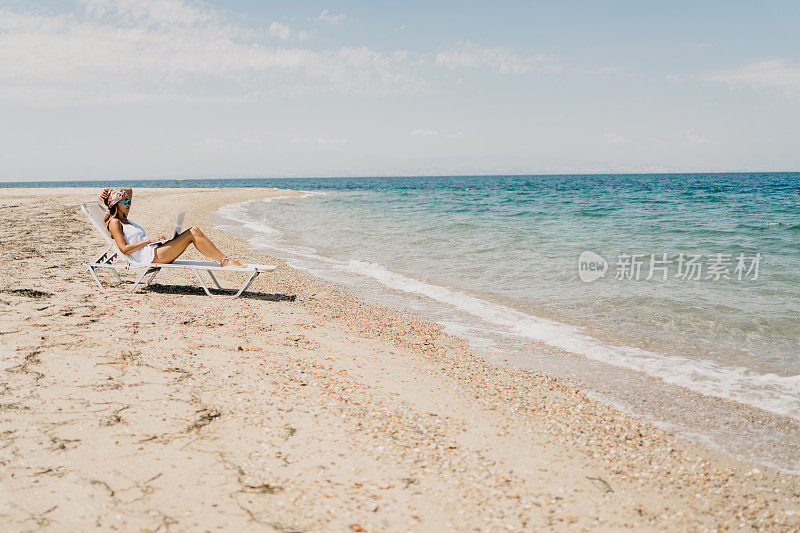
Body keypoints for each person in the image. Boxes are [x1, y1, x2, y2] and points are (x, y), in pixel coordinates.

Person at [100, 187, 246, 267]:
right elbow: (124, 249)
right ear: (115, 204)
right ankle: (225, 261)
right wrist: (149, 241)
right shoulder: (115, 223)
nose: (128, 204)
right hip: (148, 258)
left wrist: (110, 189)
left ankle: (225, 260)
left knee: (191, 232)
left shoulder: (125, 220)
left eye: (129, 202)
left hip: (153, 252)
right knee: (192, 231)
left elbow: (129, 190)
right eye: (125, 202)